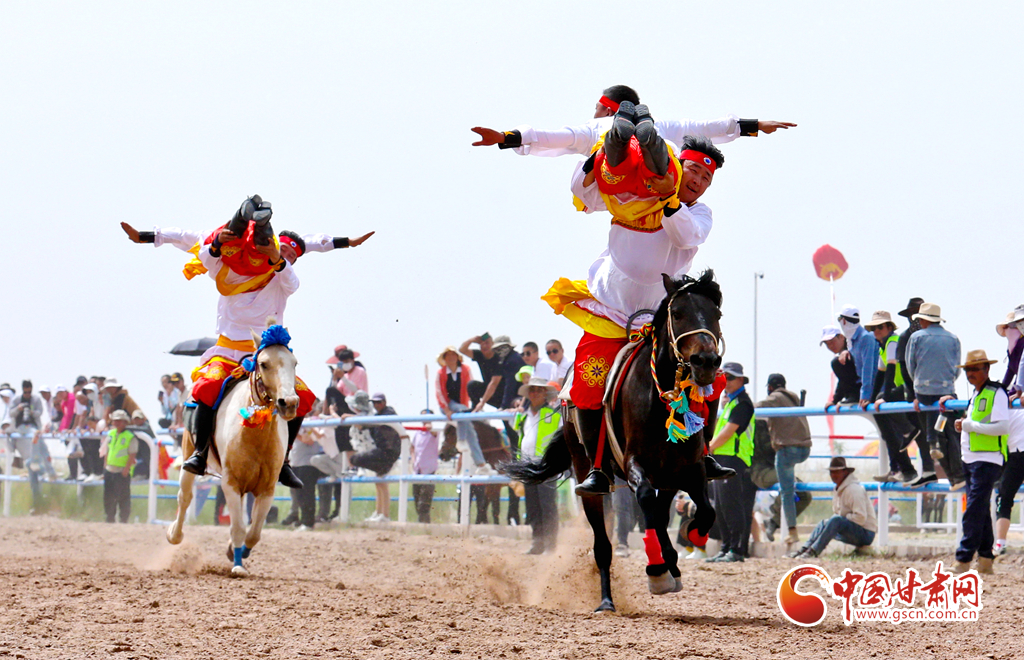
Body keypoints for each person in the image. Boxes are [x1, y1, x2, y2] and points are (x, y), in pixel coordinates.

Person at [543, 129, 732, 494]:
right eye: (693, 170)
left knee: (709, 377)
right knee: (589, 384)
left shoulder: (700, 214)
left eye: (706, 178)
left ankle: (702, 453)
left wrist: (669, 197)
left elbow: (685, 236)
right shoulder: (637, 191)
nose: (698, 181)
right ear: (676, 166)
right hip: (609, 313)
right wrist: (597, 159)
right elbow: (585, 193)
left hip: (660, 322)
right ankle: (598, 467)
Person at [470, 84, 794, 157]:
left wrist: (505, 137)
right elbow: (707, 128)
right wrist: (754, 126)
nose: (593, 113)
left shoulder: (592, 129)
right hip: (649, 195)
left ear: (609, 110)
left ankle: (628, 144)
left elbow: (549, 136)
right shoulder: (663, 126)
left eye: (597, 107)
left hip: (624, 193)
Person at [943, 350, 1009, 574]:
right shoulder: (977, 394)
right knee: (979, 510)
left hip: (987, 459)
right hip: (971, 459)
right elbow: (978, 424)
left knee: (973, 510)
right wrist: (964, 425)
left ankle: (963, 558)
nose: (970, 373)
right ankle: (985, 559)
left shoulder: (996, 393)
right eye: (968, 370)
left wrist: (969, 426)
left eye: (975, 369)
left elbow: (1002, 427)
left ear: (986, 369)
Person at [906, 302, 965, 489]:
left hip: (924, 393)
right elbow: (957, 369)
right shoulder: (953, 339)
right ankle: (958, 476)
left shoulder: (916, 337)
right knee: (950, 434)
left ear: (923, 320)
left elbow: (910, 366)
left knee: (936, 430)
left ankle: (933, 443)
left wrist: (920, 383)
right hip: (946, 393)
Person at [707, 363, 757, 563]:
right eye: (724, 377)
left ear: (741, 380)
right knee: (721, 506)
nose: (726, 381)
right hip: (722, 457)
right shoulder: (730, 402)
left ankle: (736, 549)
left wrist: (709, 448)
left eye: (730, 377)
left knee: (732, 505)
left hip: (734, 459)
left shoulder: (743, 403)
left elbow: (729, 431)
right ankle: (726, 547)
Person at [862, 311, 919, 484]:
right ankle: (900, 468)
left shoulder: (893, 341)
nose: (876, 331)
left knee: (889, 430)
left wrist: (884, 398)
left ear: (889, 327)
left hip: (907, 389)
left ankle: (908, 430)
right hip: (899, 390)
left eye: (880, 327)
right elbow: (881, 374)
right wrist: (871, 399)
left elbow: (891, 371)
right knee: (888, 433)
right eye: (873, 328)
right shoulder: (883, 346)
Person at [754, 373, 811, 543]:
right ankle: (775, 522)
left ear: (770, 388)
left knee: (791, 493)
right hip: (802, 450)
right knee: (796, 491)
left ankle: (788, 529)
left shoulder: (775, 401)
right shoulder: (793, 400)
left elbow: (755, 407)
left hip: (784, 454)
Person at [789, 457, 877, 559]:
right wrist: (837, 521)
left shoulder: (854, 490)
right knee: (823, 523)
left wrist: (842, 519)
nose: (833, 475)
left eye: (837, 472)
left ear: (845, 472)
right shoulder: (838, 489)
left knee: (836, 520)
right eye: (832, 472)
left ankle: (813, 551)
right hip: (853, 528)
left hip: (866, 533)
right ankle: (804, 549)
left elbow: (860, 518)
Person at [513, 377, 562, 554]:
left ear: (545, 394)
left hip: (546, 464)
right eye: (532, 390)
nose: (534, 393)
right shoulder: (522, 416)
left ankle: (550, 543)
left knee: (547, 504)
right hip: (528, 464)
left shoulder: (554, 414)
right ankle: (538, 541)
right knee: (533, 505)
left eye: (538, 390)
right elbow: (520, 437)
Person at [747, 418, 812, 545]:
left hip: (775, 468)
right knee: (791, 486)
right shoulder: (758, 424)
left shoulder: (775, 426)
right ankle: (774, 517)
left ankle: (773, 522)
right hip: (760, 471)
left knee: (804, 494)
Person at [346, 391, 403, 522]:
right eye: (374, 403)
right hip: (382, 452)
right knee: (379, 481)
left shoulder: (388, 414)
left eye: (379, 402)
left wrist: (348, 416)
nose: (377, 405)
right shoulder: (377, 417)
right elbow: (364, 425)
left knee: (357, 460)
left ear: (384, 403)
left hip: (388, 452)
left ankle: (385, 514)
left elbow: (370, 423)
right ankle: (379, 512)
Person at [435, 346, 490, 474]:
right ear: (444, 358)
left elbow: (470, 387)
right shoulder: (441, 373)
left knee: (471, 431)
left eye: (453, 355)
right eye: (448, 355)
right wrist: (447, 410)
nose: (451, 358)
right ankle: (461, 440)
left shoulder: (466, 370)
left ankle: (481, 464)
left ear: (457, 357)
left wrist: (469, 407)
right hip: (447, 406)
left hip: (462, 407)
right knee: (461, 412)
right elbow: (439, 392)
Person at [894, 297, 932, 478]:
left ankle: (948, 472)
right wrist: (915, 394)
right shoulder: (905, 338)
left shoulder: (934, 336)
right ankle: (928, 471)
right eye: (911, 314)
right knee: (922, 433)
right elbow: (904, 368)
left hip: (936, 391)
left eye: (917, 314)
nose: (914, 318)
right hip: (915, 393)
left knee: (942, 433)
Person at [1, 380, 47, 510]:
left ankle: (39, 501)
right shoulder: (16, 402)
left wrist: (31, 412)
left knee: (35, 471)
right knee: (33, 473)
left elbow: (39, 412)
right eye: (25, 392)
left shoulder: (36, 400)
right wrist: (19, 409)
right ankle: (37, 503)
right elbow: (11, 415)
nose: (27, 394)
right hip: (22, 437)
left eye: (29, 392)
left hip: (33, 435)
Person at [289, 399, 327, 531]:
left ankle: (308, 522)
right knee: (299, 495)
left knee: (307, 493)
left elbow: (309, 440)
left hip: (308, 463)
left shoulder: (312, 422)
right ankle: (303, 520)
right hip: (296, 462)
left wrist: (297, 434)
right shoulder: (297, 423)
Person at [100, 410, 137, 523]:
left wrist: (126, 469)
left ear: (125, 422)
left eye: (119, 421)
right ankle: (109, 518)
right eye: (114, 421)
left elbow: (132, 454)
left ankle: (123, 519)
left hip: (121, 471)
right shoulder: (111, 434)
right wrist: (105, 466)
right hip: (110, 469)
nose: (116, 423)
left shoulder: (130, 436)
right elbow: (107, 450)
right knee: (108, 496)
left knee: (123, 497)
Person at [410, 409, 440, 524]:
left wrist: (429, 427)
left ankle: (424, 525)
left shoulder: (435, 432)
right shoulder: (418, 433)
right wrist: (413, 460)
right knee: (417, 498)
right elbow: (412, 447)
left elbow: (434, 433)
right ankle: (422, 524)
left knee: (425, 501)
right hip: (417, 469)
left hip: (429, 470)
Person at [820, 326, 861, 405]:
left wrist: (848, 353)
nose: (831, 346)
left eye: (832, 342)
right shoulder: (841, 356)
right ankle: (852, 397)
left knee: (836, 362)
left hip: (869, 388)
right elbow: (843, 379)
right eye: (827, 344)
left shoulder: (853, 344)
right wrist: (834, 401)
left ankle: (855, 396)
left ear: (841, 337)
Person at [996, 305, 1024, 393]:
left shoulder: (1022, 343)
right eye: (1005, 327)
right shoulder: (1011, 349)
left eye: (1012, 325)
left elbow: (1021, 371)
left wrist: (1013, 392)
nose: (1007, 329)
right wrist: (1000, 389)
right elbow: (1011, 370)